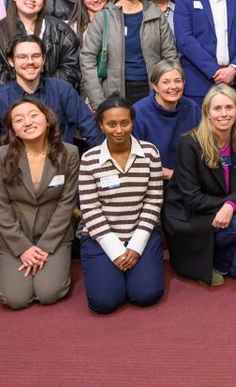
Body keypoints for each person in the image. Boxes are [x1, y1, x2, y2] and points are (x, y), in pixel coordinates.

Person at [163, 84, 236, 285]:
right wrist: (234, 206)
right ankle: (206, 259)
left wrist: (230, 206)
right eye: (217, 108)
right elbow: (192, 198)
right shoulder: (190, 144)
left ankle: (217, 262)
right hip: (193, 216)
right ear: (207, 113)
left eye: (229, 107)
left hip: (226, 214)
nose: (224, 114)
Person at [77, 96, 165, 314]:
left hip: (140, 233)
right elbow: (90, 209)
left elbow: (154, 201)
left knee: (146, 296)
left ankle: (131, 272)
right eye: (111, 124)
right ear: (101, 125)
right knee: (104, 303)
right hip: (100, 237)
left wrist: (135, 246)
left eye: (124, 123)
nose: (119, 130)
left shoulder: (150, 153)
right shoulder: (89, 159)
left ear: (132, 123)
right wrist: (116, 251)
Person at [0, 97, 78, 309]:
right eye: (18, 120)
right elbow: (0, 206)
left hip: (54, 233)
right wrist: (23, 249)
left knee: (48, 293)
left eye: (33, 115)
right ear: (13, 130)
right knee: (15, 299)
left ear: (47, 120)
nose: (27, 122)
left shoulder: (69, 153)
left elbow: (67, 204)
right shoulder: (1, 156)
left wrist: (46, 246)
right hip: (16, 235)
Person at [80, 0, 179, 105]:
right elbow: (87, 59)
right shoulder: (104, 17)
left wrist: (171, 87)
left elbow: (170, 55)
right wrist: (98, 101)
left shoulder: (155, 13)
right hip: (114, 93)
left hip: (153, 90)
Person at [0, 34, 103, 149]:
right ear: (11, 61)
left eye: (36, 56)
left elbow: (91, 129)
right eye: (22, 57)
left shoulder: (62, 90)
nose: (30, 62)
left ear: (43, 59)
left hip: (61, 165)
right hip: (15, 167)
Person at [0, 0, 82, 88]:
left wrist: (43, 90)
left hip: (54, 98)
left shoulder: (61, 30)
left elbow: (71, 70)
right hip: (13, 100)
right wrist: (25, 92)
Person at [132, 59, 202, 182]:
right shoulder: (139, 112)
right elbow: (135, 158)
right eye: (166, 82)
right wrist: (171, 174)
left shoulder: (192, 108)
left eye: (178, 81)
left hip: (188, 179)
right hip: (150, 179)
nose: (173, 87)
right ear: (155, 86)